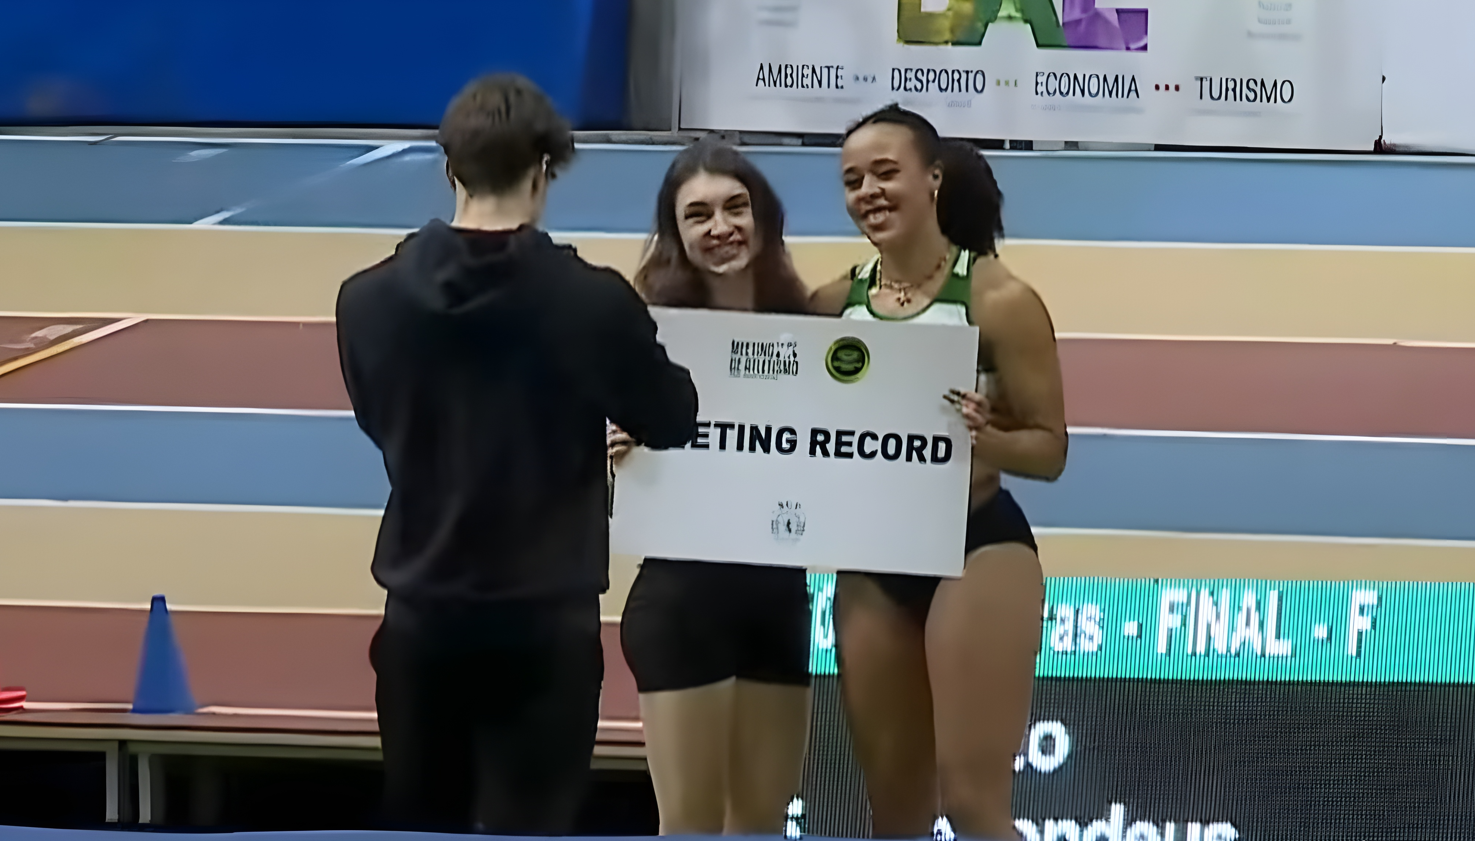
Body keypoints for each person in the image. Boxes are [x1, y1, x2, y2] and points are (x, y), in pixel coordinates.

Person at [335, 74, 698, 834]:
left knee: (421, 822)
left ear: (449, 169)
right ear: (543, 171)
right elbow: (671, 417)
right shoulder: (592, 300)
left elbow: (379, 421)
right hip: (544, 619)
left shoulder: (365, 299)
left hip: (422, 613)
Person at [810, 105, 1068, 841]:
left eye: (885, 172)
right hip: (874, 560)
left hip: (975, 544)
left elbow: (1049, 450)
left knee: (972, 806)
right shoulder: (830, 304)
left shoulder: (999, 301)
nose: (868, 191)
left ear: (932, 179)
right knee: (895, 817)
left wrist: (987, 438)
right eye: (852, 180)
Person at [608, 138, 813, 835]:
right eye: (698, 215)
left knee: (758, 828)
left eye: (735, 207)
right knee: (691, 828)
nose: (721, 226)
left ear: (763, 217)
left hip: (779, 599)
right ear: (675, 233)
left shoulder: (809, 327)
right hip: (682, 599)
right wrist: (607, 442)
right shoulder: (642, 336)